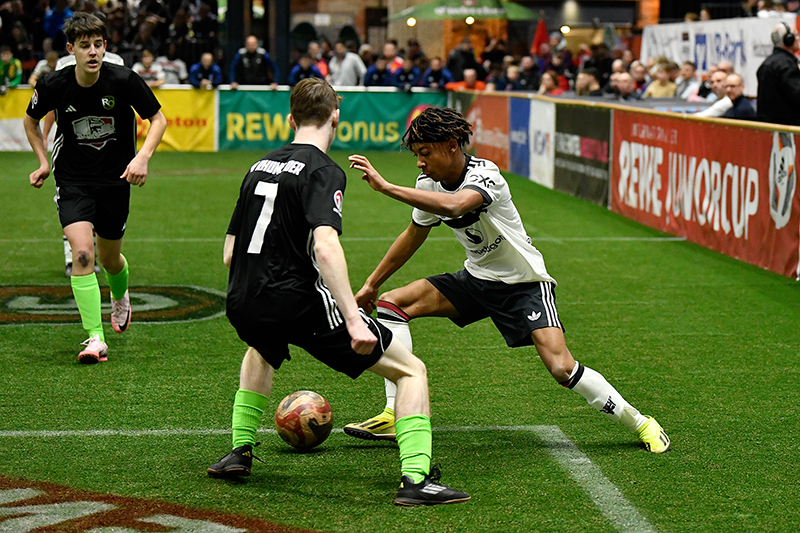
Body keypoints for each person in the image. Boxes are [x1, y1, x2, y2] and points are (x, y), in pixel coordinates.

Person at [344, 107, 671, 455]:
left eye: (425, 153)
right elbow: (414, 234)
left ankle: (641, 422)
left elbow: (456, 206)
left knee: (561, 368)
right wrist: (372, 283)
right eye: (416, 155)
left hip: (524, 284)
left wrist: (385, 187)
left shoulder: (486, 174)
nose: (420, 163)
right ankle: (396, 413)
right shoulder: (428, 184)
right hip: (477, 279)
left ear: (452, 145)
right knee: (393, 304)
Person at [207, 78, 470, 507]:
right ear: (336, 117)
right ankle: (416, 480)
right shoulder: (324, 170)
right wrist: (352, 319)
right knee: (411, 371)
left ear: (290, 119)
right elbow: (326, 245)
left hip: (242, 297)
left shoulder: (257, 167)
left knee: (261, 346)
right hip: (299, 301)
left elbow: (229, 254)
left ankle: (238, 451)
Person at [23, 12, 166, 364]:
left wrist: (143, 157)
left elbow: (158, 119)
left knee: (110, 260)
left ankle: (120, 295)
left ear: (105, 47)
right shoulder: (54, 84)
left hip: (116, 181)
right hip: (73, 181)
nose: (92, 52)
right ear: (70, 49)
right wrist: (43, 161)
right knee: (83, 255)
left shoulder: (124, 80)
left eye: (98, 45)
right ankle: (95, 337)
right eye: (85, 45)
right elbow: (30, 120)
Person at [756, 21, 800, 125]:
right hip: (787, 128)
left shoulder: (767, 63)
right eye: (797, 35)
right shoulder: (786, 65)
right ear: (789, 40)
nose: (798, 38)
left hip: (769, 127)